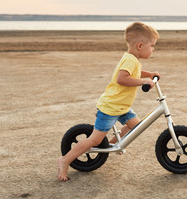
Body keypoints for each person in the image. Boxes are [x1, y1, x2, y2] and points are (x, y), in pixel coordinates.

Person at [58, 22, 160, 181]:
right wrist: (143, 82)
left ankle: (112, 145)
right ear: (140, 45)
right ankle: (65, 160)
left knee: (136, 126)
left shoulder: (132, 59)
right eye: (152, 46)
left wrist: (149, 74)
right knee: (94, 139)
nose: (153, 49)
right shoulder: (131, 60)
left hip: (122, 107)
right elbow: (122, 79)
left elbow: (135, 72)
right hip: (111, 107)